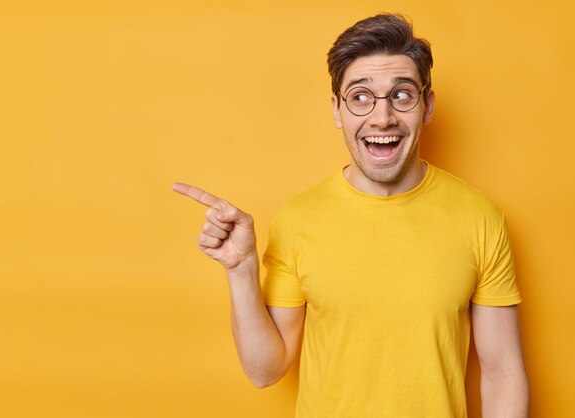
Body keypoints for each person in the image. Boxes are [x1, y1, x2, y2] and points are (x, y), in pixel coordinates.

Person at [173, 13, 529, 418]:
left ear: (427, 105)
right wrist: (241, 270)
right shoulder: (298, 219)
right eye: (360, 97)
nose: (382, 118)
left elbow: (502, 373)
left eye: (401, 95)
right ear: (337, 110)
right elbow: (264, 371)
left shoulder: (480, 217)